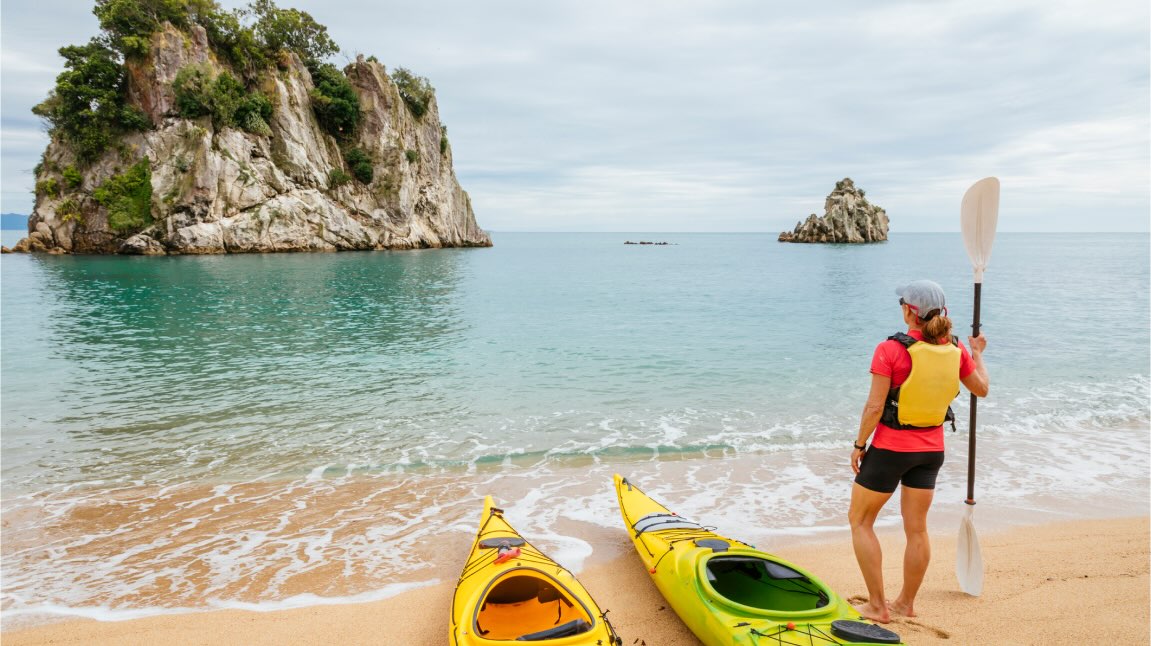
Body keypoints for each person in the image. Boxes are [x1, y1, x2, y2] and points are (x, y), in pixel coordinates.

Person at [848, 279, 989, 623]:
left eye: (902, 303)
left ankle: (878, 606)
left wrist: (859, 444)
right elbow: (981, 389)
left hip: (890, 449)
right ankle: (905, 604)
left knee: (861, 520)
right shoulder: (956, 350)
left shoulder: (890, 349)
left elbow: (874, 406)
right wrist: (978, 353)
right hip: (931, 451)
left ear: (910, 311)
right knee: (917, 529)